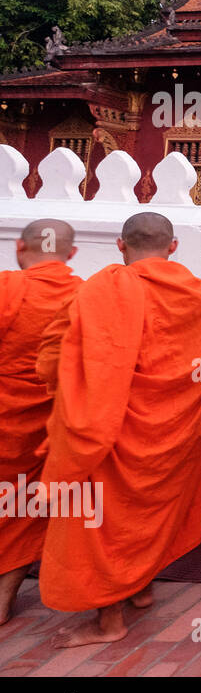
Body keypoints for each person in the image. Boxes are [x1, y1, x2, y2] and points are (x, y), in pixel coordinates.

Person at [39, 212, 201, 647]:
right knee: (150, 514)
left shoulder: (106, 288)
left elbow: (68, 361)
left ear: (120, 244)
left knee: (103, 522)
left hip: (117, 433)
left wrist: (69, 401)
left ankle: (108, 622)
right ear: (173, 247)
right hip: (176, 433)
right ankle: (140, 588)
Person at [0, 219, 81, 624]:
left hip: (5, 416)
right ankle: (4, 596)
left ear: (18, 248)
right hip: (52, 423)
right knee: (24, 506)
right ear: (72, 254)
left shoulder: (6, 288)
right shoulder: (86, 294)